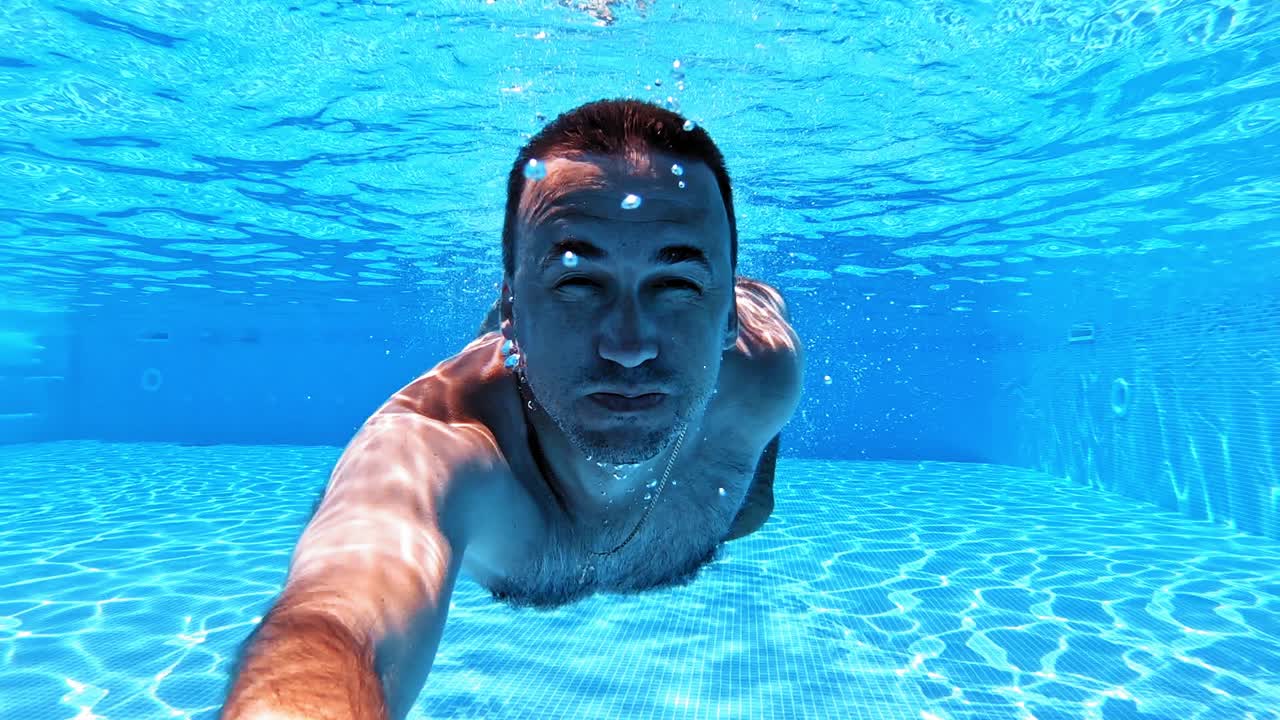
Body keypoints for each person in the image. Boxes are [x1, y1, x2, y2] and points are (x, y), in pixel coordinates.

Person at [220, 98, 804, 720]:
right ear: (511, 314)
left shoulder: (764, 375)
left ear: (729, 321)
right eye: (578, 282)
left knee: (751, 509)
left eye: (678, 286)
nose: (630, 346)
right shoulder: (436, 444)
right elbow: (337, 617)